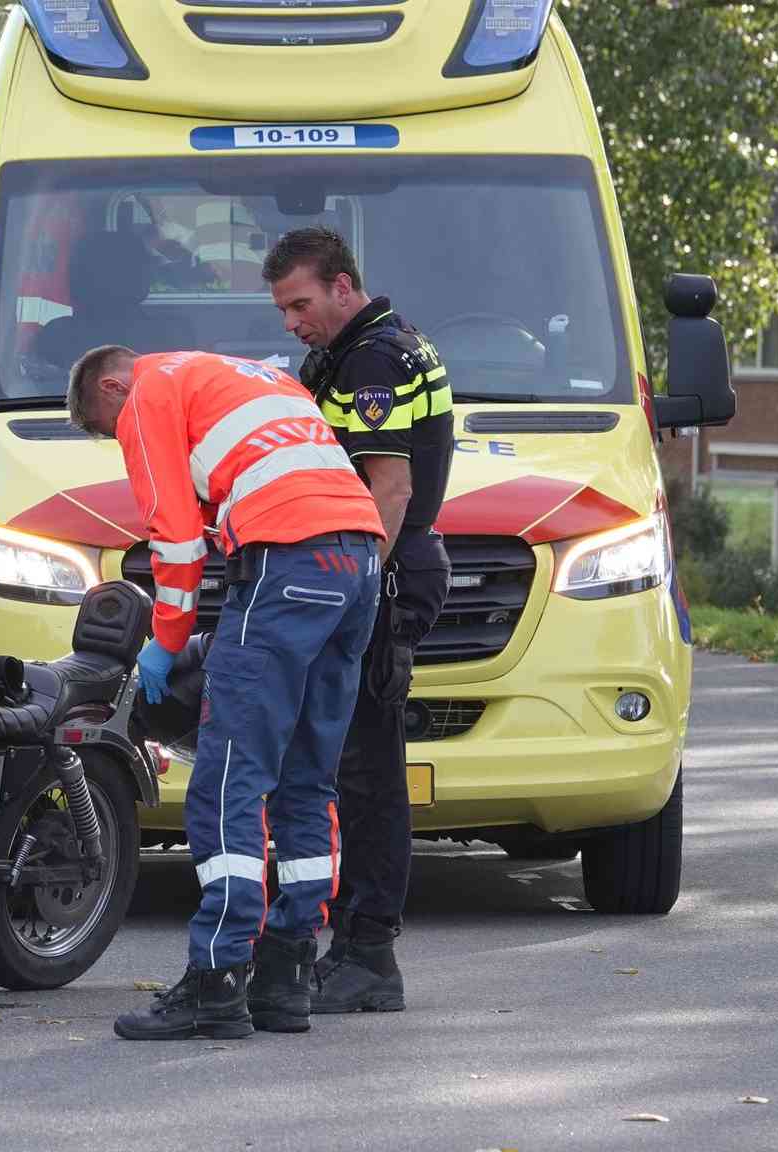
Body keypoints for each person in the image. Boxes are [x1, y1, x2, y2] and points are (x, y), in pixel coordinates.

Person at [67, 344, 384, 1040]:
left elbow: (176, 540)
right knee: (307, 777)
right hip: (358, 561)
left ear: (116, 384)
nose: (123, 441)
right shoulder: (251, 377)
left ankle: (217, 978)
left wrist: (167, 639)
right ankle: (286, 976)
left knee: (229, 776)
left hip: (288, 562)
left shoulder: (150, 391)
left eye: (109, 428)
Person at [264, 227, 454, 1016]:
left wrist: (344, 591)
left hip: (376, 575)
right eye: (282, 308)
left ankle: (370, 953)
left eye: (300, 304)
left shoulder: (375, 360)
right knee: (352, 770)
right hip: (380, 574)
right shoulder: (364, 350)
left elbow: (390, 490)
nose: (292, 322)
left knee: (370, 776)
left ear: (343, 286)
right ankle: (353, 942)